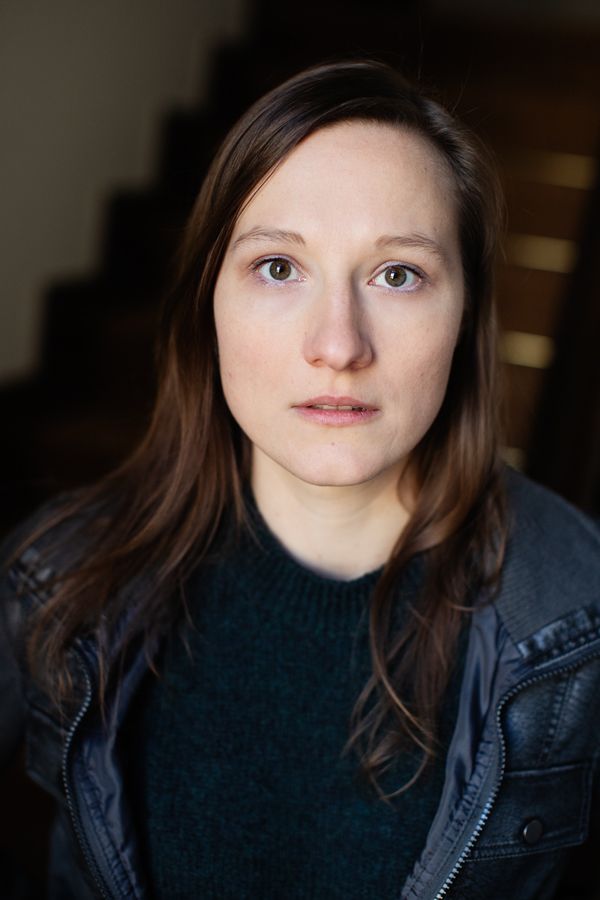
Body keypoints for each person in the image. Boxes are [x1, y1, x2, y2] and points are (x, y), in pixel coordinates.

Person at [1, 59, 599, 900]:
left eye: (398, 274)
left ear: (466, 317)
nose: (339, 345)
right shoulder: (56, 572)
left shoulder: (580, 621)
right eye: (279, 267)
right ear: (209, 303)